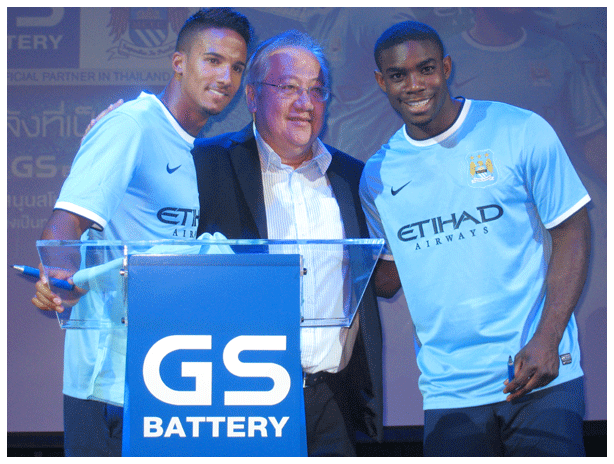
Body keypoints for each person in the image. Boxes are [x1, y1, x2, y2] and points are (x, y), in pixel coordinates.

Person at [359, 20, 590, 456]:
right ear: (381, 82)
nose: (414, 85)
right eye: (398, 75)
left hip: (538, 373)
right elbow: (388, 279)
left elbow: (572, 230)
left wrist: (548, 337)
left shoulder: (519, 130)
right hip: (449, 391)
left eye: (426, 69)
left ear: (446, 68)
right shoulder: (378, 175)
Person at [30, 8, 253, 456]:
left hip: (167, 373)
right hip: (108, 383)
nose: (225, 77)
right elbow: (66, 222)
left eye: (237, 67)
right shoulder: (132, 124)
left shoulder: (199, 150)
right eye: (213, 60)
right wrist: (59, 276)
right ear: (179, 63)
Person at [191, 30, 383, 456]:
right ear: (252, 96)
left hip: (335, 401)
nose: (305, 103)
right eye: (289, 87)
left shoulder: (353, 177)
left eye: (316, 90)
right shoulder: (207, 163)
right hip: (239, 397)